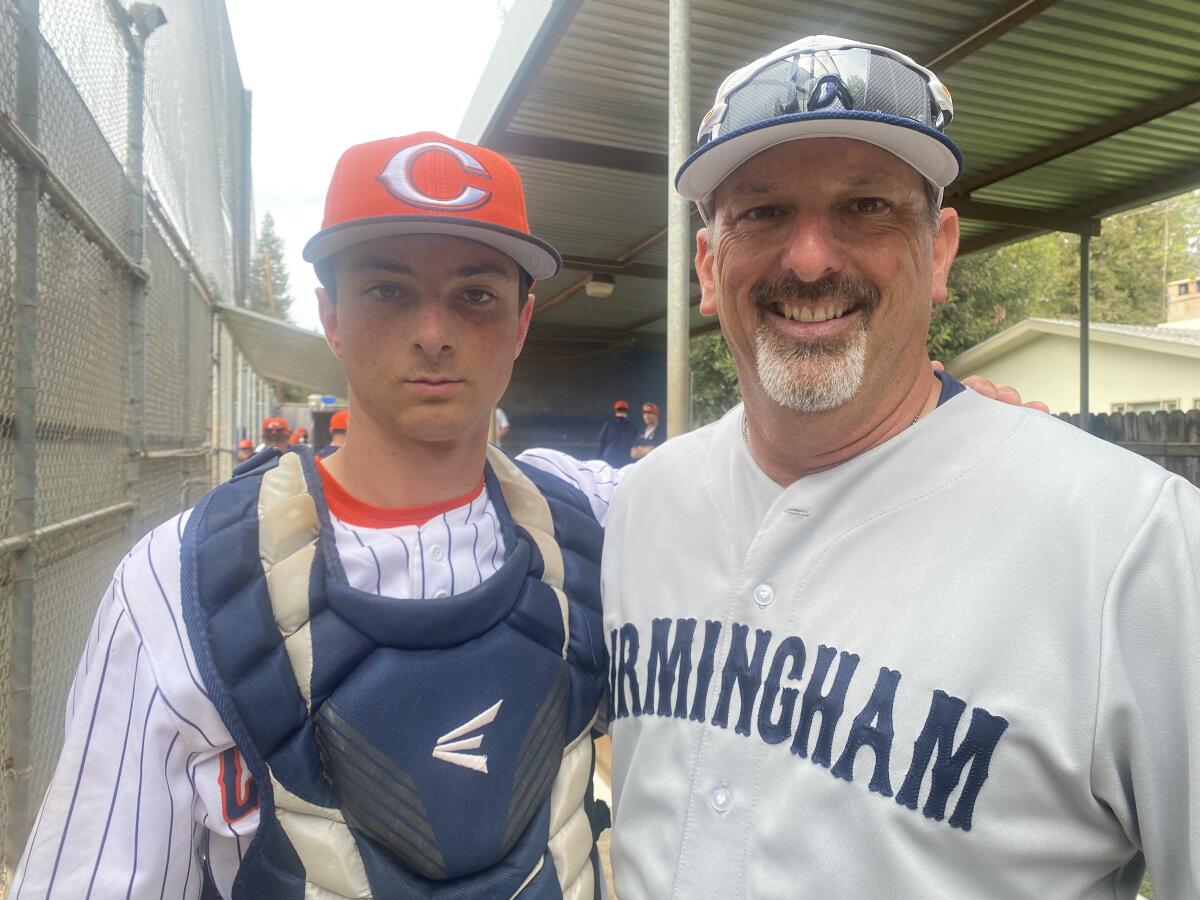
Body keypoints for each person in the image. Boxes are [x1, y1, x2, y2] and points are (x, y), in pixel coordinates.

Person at [601, 35, 1200, 899]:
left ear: (942, 249)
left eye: (867, 207)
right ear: (707, 265)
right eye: (761, 212)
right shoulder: (645, 501)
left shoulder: (1134, 543)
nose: (809, 259)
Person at [12, 132, 615, 899]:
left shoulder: (590, 517)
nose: (434, 332)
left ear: (522, 323)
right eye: (387, 290)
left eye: (476, 294)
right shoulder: (179, 584)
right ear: (330, 314)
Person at [595, 400, 638, 467]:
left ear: (615, 411)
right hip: (625, 463)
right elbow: (636, 447)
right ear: (626, 411)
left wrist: (598, 461)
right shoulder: (633, 427)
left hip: (608, 461)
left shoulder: (608, 425)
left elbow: (601, 443)